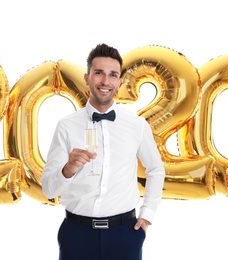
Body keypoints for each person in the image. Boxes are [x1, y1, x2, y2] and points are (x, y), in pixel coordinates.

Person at [41, 43, 166, 260]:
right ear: (87, 78)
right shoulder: (66, 126)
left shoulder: (136, 125)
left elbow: (156, 169)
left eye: (112, 75)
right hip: (76, 234)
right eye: (98, 73)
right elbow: (48, 190)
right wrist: (68, 169)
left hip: (125, 234)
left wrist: (147, 216)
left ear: (119, 82)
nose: (105, 81)